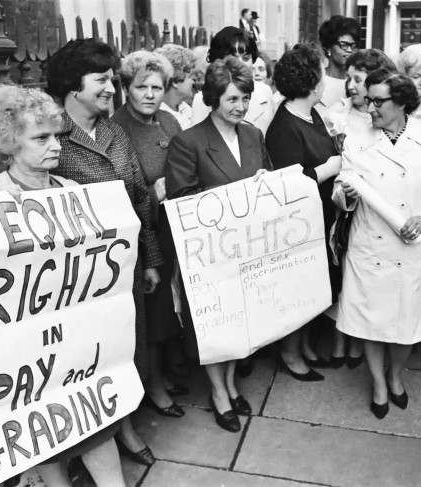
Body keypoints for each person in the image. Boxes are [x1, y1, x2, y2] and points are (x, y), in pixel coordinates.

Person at [0, 84, 126, 486]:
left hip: (78, 347)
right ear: (8, 143)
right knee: (46, 441)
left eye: (56, 136)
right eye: (40, 138)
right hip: (29, 356)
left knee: (96, 431)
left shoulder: (74, 194)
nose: (55, 146)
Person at [46, 38, 162, 464]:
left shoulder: (114, 132)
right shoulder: (51, 137)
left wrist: (149, 258)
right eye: (102, 79)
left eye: (113, 78)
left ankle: (125, 427)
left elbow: (141, 202)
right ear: (72, 86)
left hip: (124, 268)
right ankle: (91, 441)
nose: (112, 87)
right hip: (79, 279)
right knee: (86, 359)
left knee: (123, 350)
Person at [333, 69, 421, 418]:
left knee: (407, 325)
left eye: (378, 101)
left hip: (410, 246)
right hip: (370, 247)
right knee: (370, 321)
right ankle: (379, 384)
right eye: (368, 100)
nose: (369, 107)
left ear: (401, 102)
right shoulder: (357, 142)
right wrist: (346, 195)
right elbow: (340, 194)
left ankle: (395, 374)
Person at [166, 56, 272, 432]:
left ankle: (230, 383)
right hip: (210, 253)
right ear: (213, 99)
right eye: (231, 100)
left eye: (245, 98)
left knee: (240, 321)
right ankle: (218, 392)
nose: (240, 107)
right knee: (215, 324)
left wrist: (263, 182)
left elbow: (268, 181)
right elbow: (182, 200)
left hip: (247, 249)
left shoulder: (253, 135)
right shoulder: (188, 142)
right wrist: (234, 196)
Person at [110, 50, 189, 418]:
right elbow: (120, 193)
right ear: (126, 87)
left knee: (174, 305)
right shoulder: (117, 128)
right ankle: (153, 386)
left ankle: (170, 371)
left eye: (158, 87)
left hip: (178, 229)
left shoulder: (170, 121)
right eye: (142, 86)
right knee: (153, 314)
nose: (150, 94)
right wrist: (156, 194)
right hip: (145, 235)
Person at [266, 44, 342, 380]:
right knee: (297, 289)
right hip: (298, 225)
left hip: (322, 217)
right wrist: (329, 168)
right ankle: (290, 353)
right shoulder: (284, 126)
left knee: (316, 286)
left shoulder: (312, 115)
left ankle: (307, 346)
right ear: (312, 83)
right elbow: (287, 187)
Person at [325, 48, 396, 368]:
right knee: (343, 276)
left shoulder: (383, 119)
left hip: (378, 212)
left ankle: (359, 341)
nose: (351, 85)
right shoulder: (337, 116)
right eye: (348, 78)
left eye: (359, 79)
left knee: (368, 282)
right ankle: (340, 340)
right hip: (345, 209)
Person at [191, 26, 275, 135]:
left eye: (246, 58)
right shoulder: (202, 99)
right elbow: (198, 141)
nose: (240, 63)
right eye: (233, 57)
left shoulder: (265, 92)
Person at [317, 15, 362, 116]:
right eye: (344, 45)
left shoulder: (358, 81)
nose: (350, 50)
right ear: (329, 47)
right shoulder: (317, 78)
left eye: (354, 46)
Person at [155, 44, 196, 130]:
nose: (193, 82)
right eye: (190, 77)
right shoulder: (159, 116)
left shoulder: (185, 108)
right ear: (175, 81)